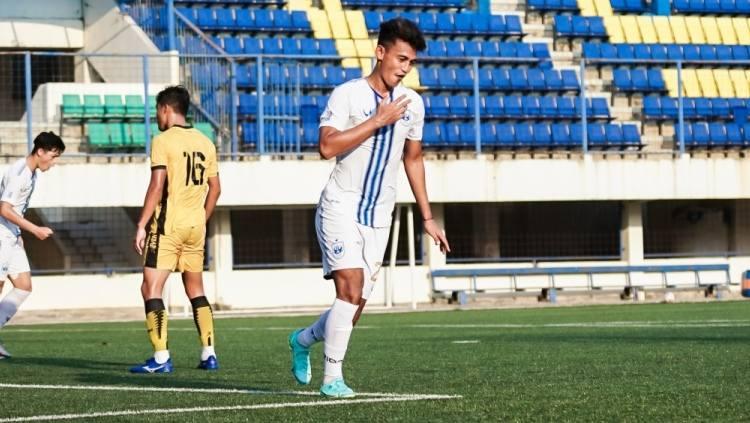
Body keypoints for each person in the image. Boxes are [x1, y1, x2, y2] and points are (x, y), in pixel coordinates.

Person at [288, 18, 450, 398]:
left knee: (353, 308)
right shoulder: (347, 95)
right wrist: (377, 121)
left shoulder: (414, 105)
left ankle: (302, 339)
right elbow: (327, 147)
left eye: (410, 62)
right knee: (351, 287)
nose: (404, 68)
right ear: (380, 53)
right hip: (340, 205)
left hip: (379, 216)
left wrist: (427, 217)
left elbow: (413, 159)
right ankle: (333, 379)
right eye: (400, 58)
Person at [130, 85, 221, 374]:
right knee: (196, 289)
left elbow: (157, 185)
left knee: (151, 287)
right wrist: (201, 219)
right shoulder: (206, 142)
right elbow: (216, 189)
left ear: (166, 109)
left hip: (168, 225)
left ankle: (160, 358)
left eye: (158, 110)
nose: (157, 115)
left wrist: (142, 224)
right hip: (196, 226)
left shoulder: (163, 140)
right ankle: (209, 353)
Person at [0, 131, 65, 358]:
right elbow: (4, 208)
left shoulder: (31, 172)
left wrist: (19, 234)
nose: (54, 162)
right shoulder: (20, 174)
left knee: (23, 285)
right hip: (1, 235)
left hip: (11, 235)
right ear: (40, 152)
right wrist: (35, 229)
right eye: (54, 156)